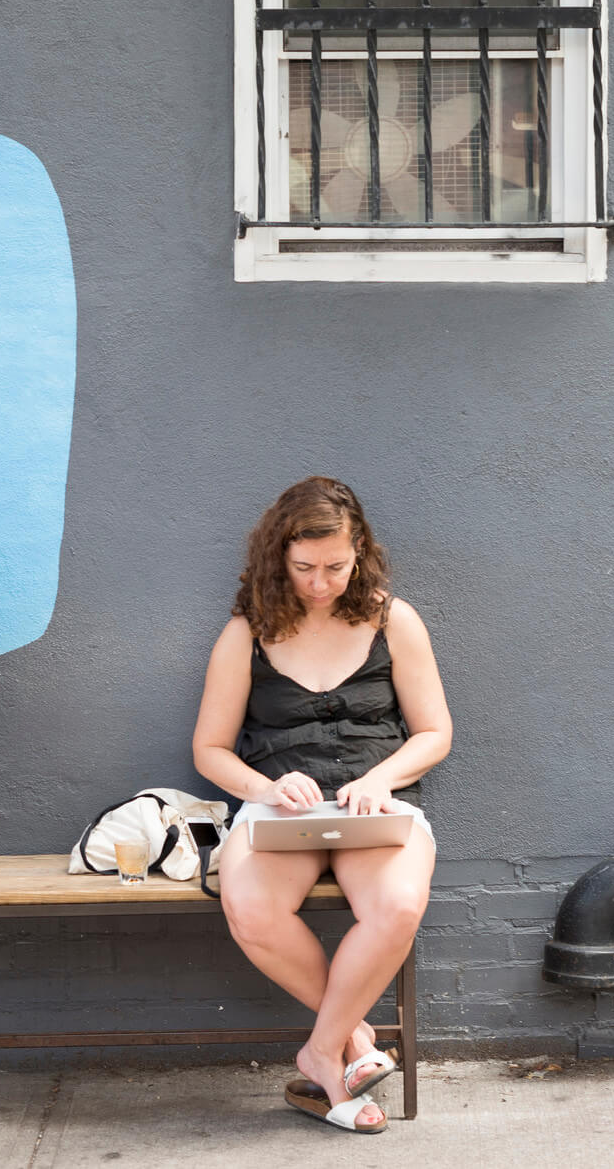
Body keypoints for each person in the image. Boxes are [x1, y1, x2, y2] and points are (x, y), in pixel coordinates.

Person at [191, 477, 454, 1134]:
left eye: (336, 566)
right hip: (282, 812)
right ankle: (357, 1040)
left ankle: (321, 1051)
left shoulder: (395, 619)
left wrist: (382, 778)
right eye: (305, 567)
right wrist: (264, 787)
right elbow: (210, 749)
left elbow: (435, 732)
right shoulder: (246, 633)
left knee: (396, 905)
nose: (320, 582)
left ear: (359, 549)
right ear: (280, 555)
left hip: (376, 810)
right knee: (249, 907)